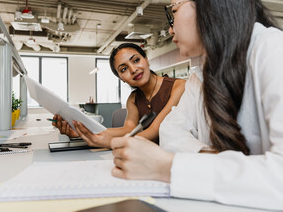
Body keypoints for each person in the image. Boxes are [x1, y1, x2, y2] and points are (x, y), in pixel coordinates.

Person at [110, 0, 283, 211]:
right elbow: (171, 131)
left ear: (208, 6)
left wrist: (169, 167)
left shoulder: (280, 52)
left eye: (174, 12)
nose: (170, 30)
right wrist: (216, 160)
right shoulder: (200, 76)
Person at [53, 43, 185, 148]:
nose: (133, 70)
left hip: (177, 156)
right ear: (121, 78)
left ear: (146, 60)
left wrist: (111, 143)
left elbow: (155, 130)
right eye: (123, 69)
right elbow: (128, 129)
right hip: (144, 156)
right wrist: (82, 132)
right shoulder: (133, 99)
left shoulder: (178, 86)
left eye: (136, 60)